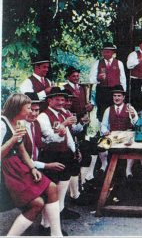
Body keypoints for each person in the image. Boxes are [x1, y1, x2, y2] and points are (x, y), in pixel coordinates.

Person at [1, 94, 63, 236]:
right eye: (28, 108)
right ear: (17, 108)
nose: (31, 111)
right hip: (6, 170)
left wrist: (33, 167)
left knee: (52, 187)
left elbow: (22, 151)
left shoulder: (18, 122)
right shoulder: (2, 124)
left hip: (18, 165)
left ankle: (56, 234)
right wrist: (13, 138)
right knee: (37, 203)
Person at [37, 87, 80, 220]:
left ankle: (61, 208)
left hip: (64, 153)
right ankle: (49, 219)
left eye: (63, 100)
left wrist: (74, 150)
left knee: (65, 180)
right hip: (51, 155)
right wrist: (64, 124)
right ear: (49, 100)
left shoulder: (61, 114)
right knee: (52, 186)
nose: (61, 102)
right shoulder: (43, 116)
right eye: (57, 99)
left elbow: (68, 136)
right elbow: (49, 138)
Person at [100, 85, 138, 180]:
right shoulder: (108, 110)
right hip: (113, 136)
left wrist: (133, 116)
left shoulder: (130, 108)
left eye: (119, 96)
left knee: (131, 148)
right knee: (103, 147)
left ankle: (128, 170)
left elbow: (137, 124)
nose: (116, 98)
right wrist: (105, 131)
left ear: (123, 97)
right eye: (115, 96)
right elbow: (103, 125)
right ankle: (106, 167)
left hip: (126, 136)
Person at [89, 43, 126, 122]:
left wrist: (123, 92)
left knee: (115, 111)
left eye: (108, 52)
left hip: (115, 91)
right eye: (104, 52)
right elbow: (91, 79)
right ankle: (102, 131)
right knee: (102, 113)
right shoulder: (97, 63)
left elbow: (123, 79)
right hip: (102, 91)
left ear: (113, 52)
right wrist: (98, 78)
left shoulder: (119, 63)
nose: (105, 53)